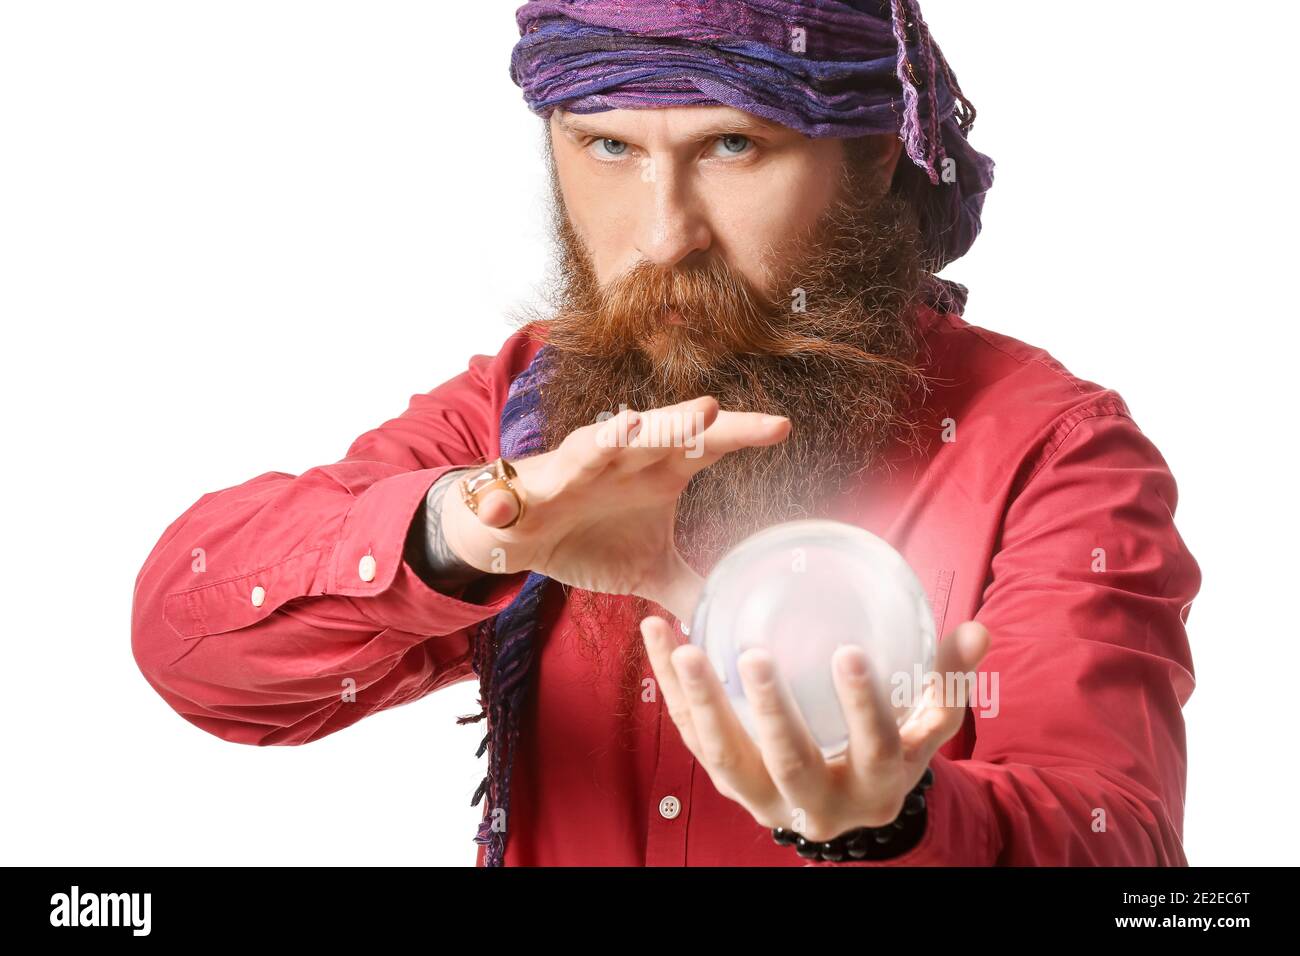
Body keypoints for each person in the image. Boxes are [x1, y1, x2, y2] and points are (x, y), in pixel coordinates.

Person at [131, 0, 1200, 866]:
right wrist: (467, 532)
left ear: (874, 155)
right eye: (605, 145)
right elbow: (194, 643)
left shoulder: (1050, 450)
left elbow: (1122, 847)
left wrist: (890, 822)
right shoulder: (525, 409)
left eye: (731, 145)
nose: (659, 236)